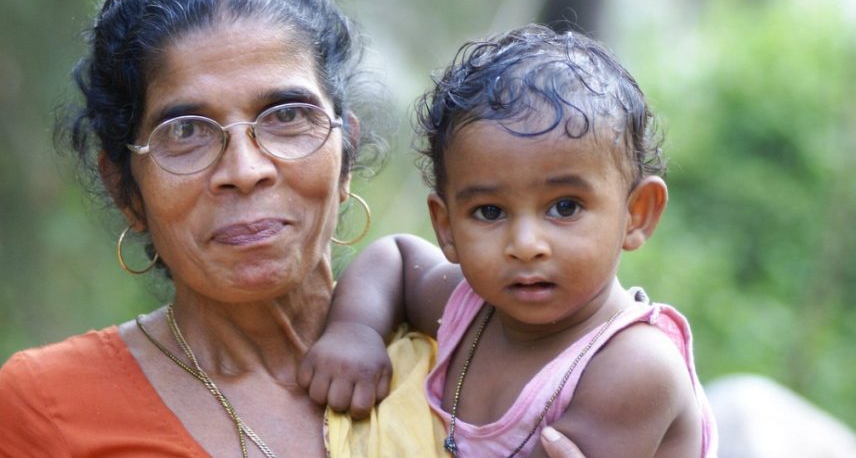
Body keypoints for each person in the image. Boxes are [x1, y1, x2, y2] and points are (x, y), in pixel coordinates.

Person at [0, 0, 597, 457]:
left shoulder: (475, 354)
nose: (246, 167)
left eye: (286, 116)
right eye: (185, 131)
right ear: (125, 186)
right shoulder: (42, 415)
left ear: (344, 153)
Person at [299, 25, 718, 456]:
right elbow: (398, 258)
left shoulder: (632, 366)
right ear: (446, 227)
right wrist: (355, 331)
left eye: (565, 207)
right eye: (490, 212)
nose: (526, 244)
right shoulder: (471, 311)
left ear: (637, 213)